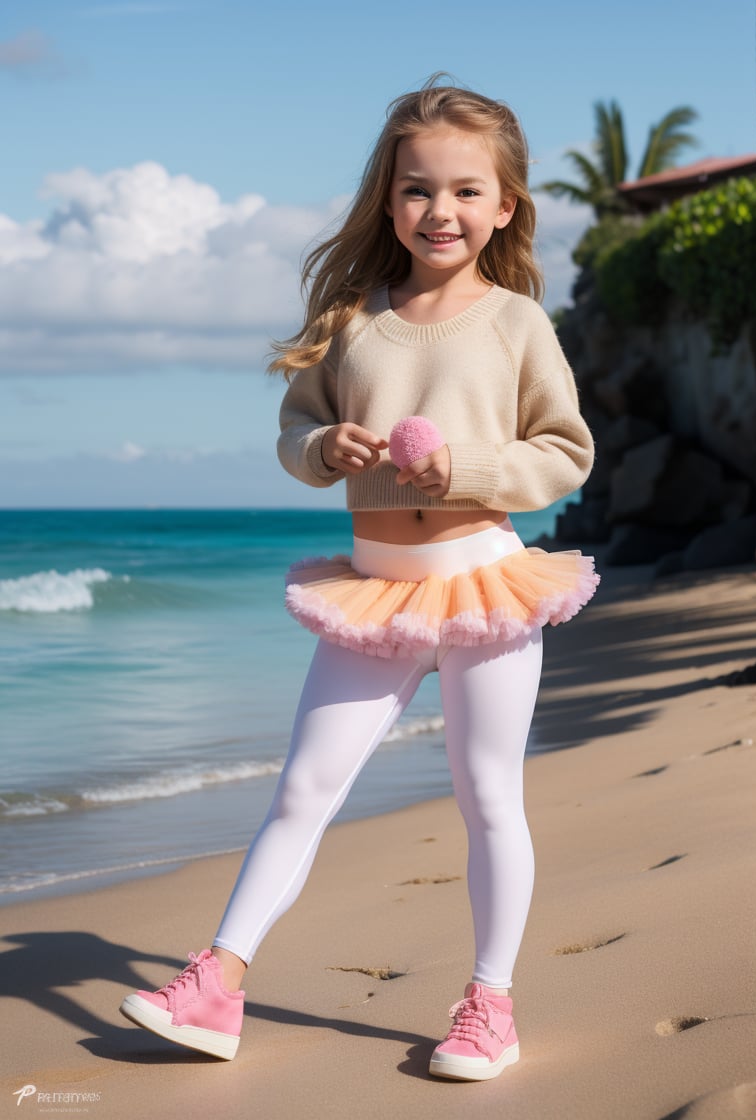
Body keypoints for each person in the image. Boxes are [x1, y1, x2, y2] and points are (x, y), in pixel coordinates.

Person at [119, 77, 598, 1082]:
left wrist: (465, 469)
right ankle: (216, 982)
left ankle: (490, 1003)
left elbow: (563, 452)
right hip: (374, 596)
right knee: (301, 788)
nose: (441, 211)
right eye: (418, 189)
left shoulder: (516, 324)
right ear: (388, 200)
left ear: (504, 205)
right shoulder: (351, 319)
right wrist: (324, 448)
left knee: (487, 797)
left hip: (485, 588)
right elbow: (294, 431)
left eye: (468, 192)